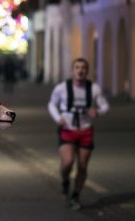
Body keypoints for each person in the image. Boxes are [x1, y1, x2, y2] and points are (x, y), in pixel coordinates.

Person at [47, 58, 109, 210]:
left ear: (87, 71)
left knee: (82, 166)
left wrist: (98, 111)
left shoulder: (93, 89)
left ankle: (76, 195)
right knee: (67, 162)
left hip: (85, 129)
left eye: (83, 68)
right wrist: (58, 118)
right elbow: (51, 104)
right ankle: (65, 179)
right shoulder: (62, 88)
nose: (80, 71)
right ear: (72, 71)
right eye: (77, 67)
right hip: (67, 128)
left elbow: (105, 105)